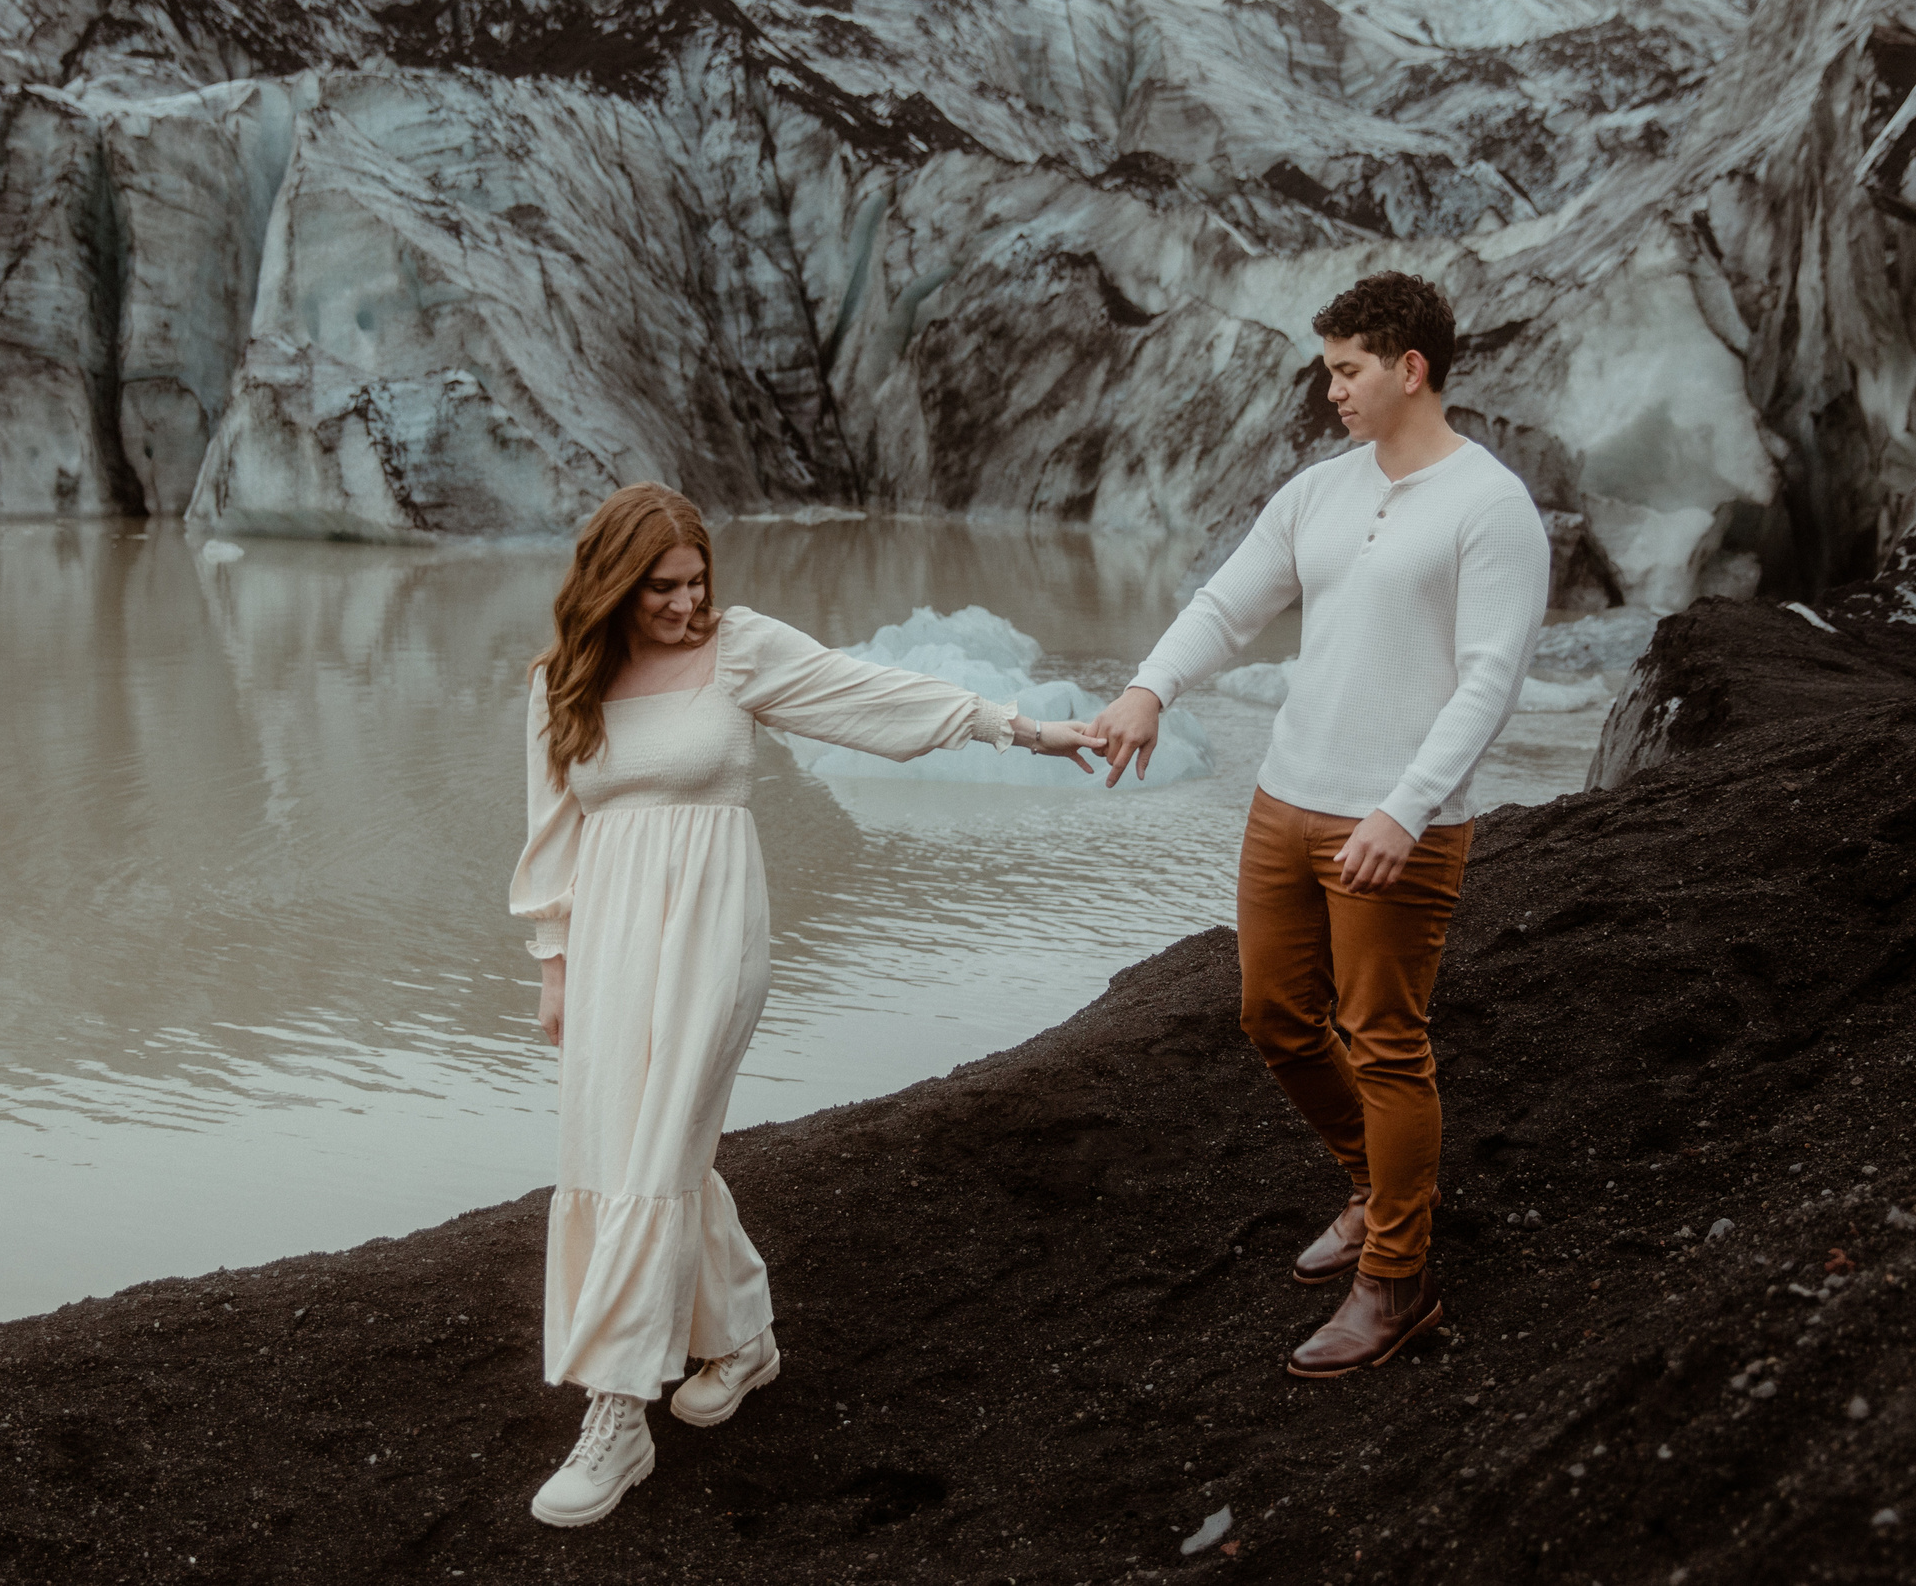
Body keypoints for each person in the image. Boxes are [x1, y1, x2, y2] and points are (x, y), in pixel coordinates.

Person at [509, 483, 1104, 1526]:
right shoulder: (563, 682)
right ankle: (741, 1339)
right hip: (606, 943)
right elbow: (551, 830)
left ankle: (615, 1414)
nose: (686, 605)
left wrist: (1021, 731)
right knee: (623, 1148)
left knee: (653, 1156)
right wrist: (553, 965)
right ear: (611, 583)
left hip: (712, 934)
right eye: (662, 589)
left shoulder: (737, 650)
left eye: (697, 583)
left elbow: (868, 697)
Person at [1090, 272, 1550, 1377]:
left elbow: (1489, 682)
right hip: (1285, 800)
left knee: (1386, 1044)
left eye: (1347, 369)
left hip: (1398, 825)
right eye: (1327, 366)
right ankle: (1375, 1186)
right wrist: (1151, 686)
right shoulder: (1321, 491)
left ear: (1410, 369)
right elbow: (1228, 602)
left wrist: (1408, 808)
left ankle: (1397, 1277)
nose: (1330, 388)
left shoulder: (1491, 508)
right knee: (1273, 1018)